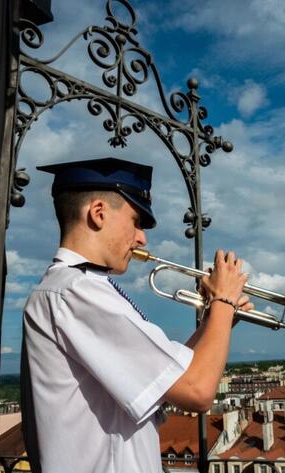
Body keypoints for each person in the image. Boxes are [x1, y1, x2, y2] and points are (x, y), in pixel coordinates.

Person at [20, 157, 252, 473]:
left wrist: (218, 321)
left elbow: (170, 378)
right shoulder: (77, 292)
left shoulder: (76, 289)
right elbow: (198, 392)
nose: (142, 238)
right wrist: (223, 301)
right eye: (136, 221)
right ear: (98, 213)